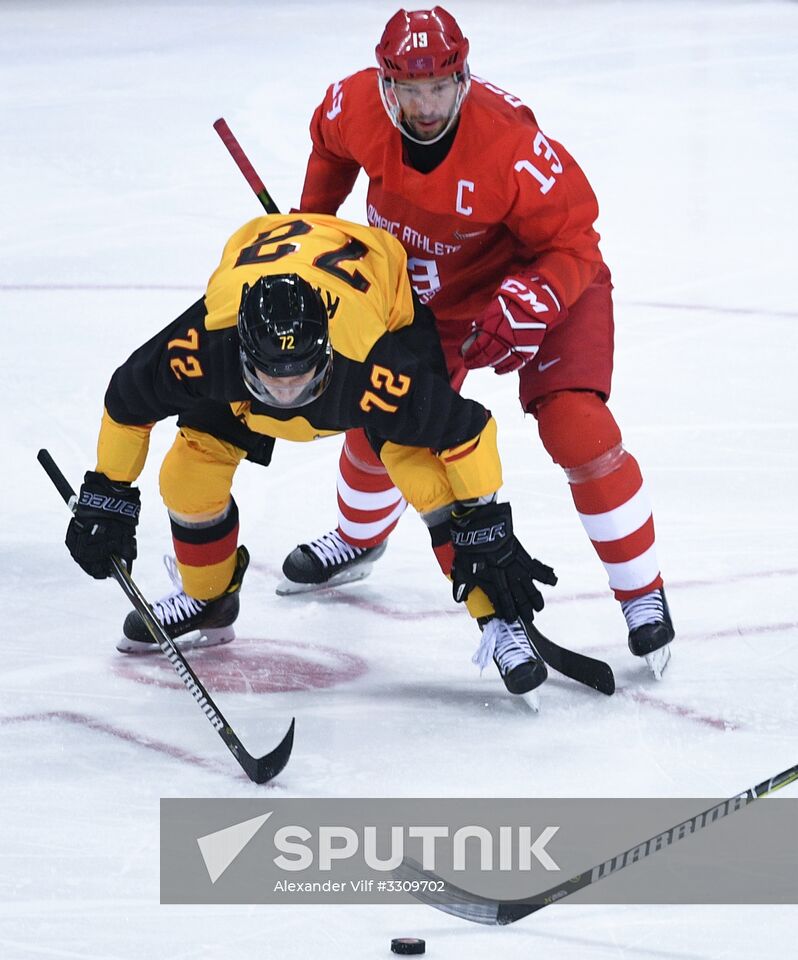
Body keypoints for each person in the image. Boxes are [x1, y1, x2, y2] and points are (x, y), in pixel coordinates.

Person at [281, 6, 674, 676]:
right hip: (435, 301)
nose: (427, 105)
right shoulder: (353, 105)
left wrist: (538, 295)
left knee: (576, 425)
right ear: (387, 85)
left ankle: (643, 593)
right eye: (411, 89)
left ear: (464, 78)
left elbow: (575, 242)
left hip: (538, 281)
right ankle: (359, 536)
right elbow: (329, 144)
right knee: (382, 418)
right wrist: (310, 231)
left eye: (440, 87)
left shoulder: (510, 145)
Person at [64, 212, 558, 698]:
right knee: (187, 475)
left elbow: (468, 429)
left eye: (299, 377)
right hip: (274, 311)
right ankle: (207, 596)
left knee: (427, 480)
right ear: (239, 348)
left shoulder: (375, 366)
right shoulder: (203, 345)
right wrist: (108, 493)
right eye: (271, 380)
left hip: (379, 306)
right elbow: (127, 400)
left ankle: (499, 617)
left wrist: (484, 520)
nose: (285, 395)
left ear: (322, 349)